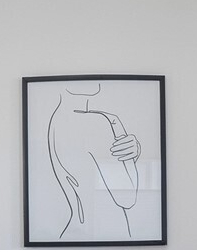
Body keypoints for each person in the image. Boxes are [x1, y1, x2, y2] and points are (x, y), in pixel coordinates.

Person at [45, 82, 143, 239]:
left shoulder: (57, 121)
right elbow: (128, 198)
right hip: (107, 233)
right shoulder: (97, 122)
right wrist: (129, 150)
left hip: (76, 232)